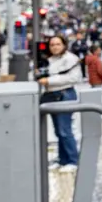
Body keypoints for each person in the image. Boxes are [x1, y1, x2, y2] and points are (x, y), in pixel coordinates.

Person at [37, 35, 84, 171]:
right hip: (51, 95)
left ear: (64, 45)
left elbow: (74, 78)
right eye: (52, 45)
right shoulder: (49, 59)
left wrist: (49, 81)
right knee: (58, 130)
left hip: (64, 94)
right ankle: (63, 160)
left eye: (58, 44)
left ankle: (73, 160)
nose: (55, 47)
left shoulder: (70, 59)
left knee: (64, 130)